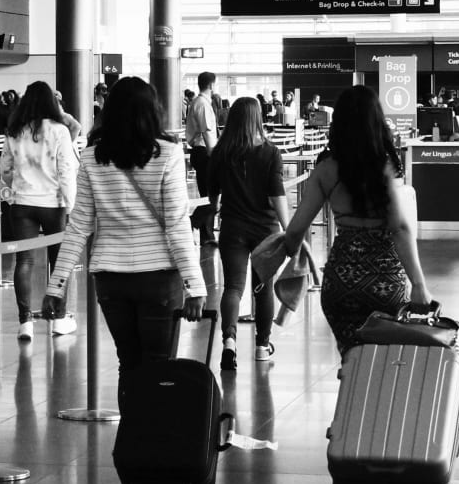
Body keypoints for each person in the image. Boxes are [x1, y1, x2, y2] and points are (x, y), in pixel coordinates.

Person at [48, 78, 205, 397]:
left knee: (128, 364)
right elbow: (176, 225)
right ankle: (155, 442)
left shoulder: (93, 157)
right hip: (159, 277)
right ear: (152, 111)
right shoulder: (168, 155)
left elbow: (78, 226)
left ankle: (130, 443)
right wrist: (195, 285)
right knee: (160, 368)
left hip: (110, 279)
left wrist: (56, 285)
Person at [261, 85, 433, 354]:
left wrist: (288, 254)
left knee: (350, 359)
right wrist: (419, 285)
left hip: (340, 284)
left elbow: (296, 230)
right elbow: (399, 228)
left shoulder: (325, 169)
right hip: (385, 283)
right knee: (384, 365)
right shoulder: (384, 166)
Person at [207, 96, 288, 371]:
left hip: (232, 227)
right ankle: (262, 347)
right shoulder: (269, 152)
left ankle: (229, 342)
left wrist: (216, 205)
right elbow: (277, 195)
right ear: (257, 118)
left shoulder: (221, 152)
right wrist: (291, 230)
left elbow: (212, 195)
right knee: (262, 288)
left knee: (233, 287)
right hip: (265, 229)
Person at [0, 81, 78, 340]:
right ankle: (59, 319)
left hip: (22, 202)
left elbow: (5, 170)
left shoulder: (14, 131)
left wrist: (18, 186)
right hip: (54, 204)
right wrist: (71, 205)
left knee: (24, 261)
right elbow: (66, 172)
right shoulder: (59, 131)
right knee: (59, 262)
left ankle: (25, 323)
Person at [185, 71, 220, 249]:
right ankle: (191, 222)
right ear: (212, 85)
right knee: (212, 196)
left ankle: (207, 234)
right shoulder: (202, 104)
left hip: (202, 151)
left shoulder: (199, 102)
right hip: (205, 153)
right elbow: (207, 133)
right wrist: (215, 157)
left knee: (208, 195)